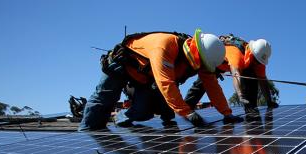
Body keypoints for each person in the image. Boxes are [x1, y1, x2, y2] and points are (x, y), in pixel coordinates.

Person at [79, 29, 240, 131]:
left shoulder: (202, 61)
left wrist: (227, 113)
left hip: (145, 79)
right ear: (198, 54)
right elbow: (166, 84)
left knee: (143, 111)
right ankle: (86, 135)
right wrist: (189, 114)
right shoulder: (165, 45)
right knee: (102, 102)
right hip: (122, 66)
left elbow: (212, 86)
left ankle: (118, 119)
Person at [184, 35, 279, 114]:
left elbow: (263, 81)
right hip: (216, 61)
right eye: (256, 60)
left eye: (259, 62)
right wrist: (241, 96)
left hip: (235, 66)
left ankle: (251, 110)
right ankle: (187, 108)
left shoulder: (259, 61)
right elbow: (236, 75)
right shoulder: (236, 53)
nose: (257, 63)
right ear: (251, 53)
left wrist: (269, 101)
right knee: (202, 84)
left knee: (251, 78)